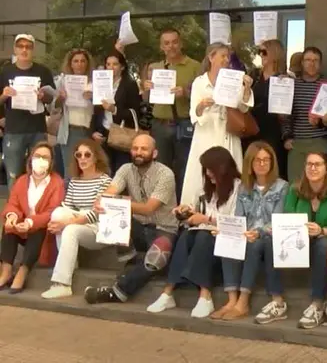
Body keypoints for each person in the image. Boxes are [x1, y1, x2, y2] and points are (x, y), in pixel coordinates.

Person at [83, 134, 178, 305]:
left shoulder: (166, 174)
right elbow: (112, 189)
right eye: (135, 148)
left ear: (154, 153)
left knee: (158, 256)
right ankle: (130, 261)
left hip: (163, 229)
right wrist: (102, 200)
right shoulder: (126, 169)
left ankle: (118, 291)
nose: (138, 152)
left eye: (144, 149)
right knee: (112, 209)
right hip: (139, 228)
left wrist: (118, 202)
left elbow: (149, 208)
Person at [147, 146, 240, 318]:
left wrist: (206, 219)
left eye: (212, 170)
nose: (209, 174)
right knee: (186, 236)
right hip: (202, 236)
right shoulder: (205, 190)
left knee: (203, 237)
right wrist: (185, 212)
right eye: (206, 170)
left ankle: (206, 295)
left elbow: (237, 223)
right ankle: (168, 292)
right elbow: (196, 213)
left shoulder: (238, 189)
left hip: (226, 238)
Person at [260, 152, 327, 328]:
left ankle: (317, 304)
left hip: (325, 239)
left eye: (317, 164)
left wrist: (321, 230)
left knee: (322, 244)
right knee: (270, 240)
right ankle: (277, 301)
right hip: (298, 240)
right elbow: (289, 216)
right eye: (309, 164)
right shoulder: (295, 189)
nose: (312, 168)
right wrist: (277, 228)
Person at [215, 141, 289, 321]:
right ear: (250, 163)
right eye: (257, 160)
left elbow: (278, 220)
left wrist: (258, 232)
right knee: (227, 240)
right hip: (247, 234)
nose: (262, 164)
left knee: (255, 244)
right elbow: (239, 217)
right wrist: (228, 230)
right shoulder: (243, 187)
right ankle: (231, 299)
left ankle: (244, 301)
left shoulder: (282, 187)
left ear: (272, 163)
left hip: (268, 235)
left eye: (266, 160)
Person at [180, 42, 254, 206]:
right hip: (207, 133)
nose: (226, 59)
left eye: (228, 56)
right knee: (203, 172)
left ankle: (230, 210)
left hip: (227, 132)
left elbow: (243, 107)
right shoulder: (199, 82)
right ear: (211, 57)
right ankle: (197, 211)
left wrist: (247, 88)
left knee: (229, 172)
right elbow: (194, 113)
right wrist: (202, 105)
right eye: (222, 56)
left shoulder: (233, 79)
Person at [42, 139, 112, 299]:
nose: (82, 158)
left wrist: (66, 223)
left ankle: (62, 283)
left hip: (99, 229)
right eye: (78, 154)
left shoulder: (105, 181)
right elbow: (67, 207)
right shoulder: (74, 181)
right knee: (58, 213)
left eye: (87, 154)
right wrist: (61, 221)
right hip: (79, 222)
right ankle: (70, 263)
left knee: (69, 228)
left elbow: (97, 213)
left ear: (95, 157)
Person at [144, 28, 202, 198]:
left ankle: (183, 209)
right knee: (161, 170)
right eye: (166, 43)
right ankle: (163, 210)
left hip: (183, 123)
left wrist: (185, 92)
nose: (171, 46)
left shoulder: (195, 66)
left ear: (181, 43)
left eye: (174, 42)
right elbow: (147, 100)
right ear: (161, 47)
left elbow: (202, 94)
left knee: (185, 169)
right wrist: (146, 89)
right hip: (160, 124)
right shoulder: (155, 67)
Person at [0, 142, 65, 292]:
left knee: (39, 227)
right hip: (21, 230)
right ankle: (6, 270)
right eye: (37, 156)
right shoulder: (22, 180)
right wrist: (12, 217)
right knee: (8, 227)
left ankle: (23, 271)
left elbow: (51, 211)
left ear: (51, 163)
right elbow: (13, 203)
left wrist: (30, 222)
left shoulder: (57, 183)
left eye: (45, 158)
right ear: (31, 159)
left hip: (42, 234)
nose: (41, 160)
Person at [0, 34, 56, 188]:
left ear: (33, 50)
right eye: (21, 46)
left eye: (28, 47)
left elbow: (52, 100)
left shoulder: (43, 71)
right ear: (15, 49)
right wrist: (4, 95)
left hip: (37, 129)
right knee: (14, 175)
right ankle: (15, 210)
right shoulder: (5, 72)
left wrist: (43, 96)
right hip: (13, 130)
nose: (24, 50)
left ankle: (38, 209)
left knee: (40, 171)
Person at [281, 47, 327, 182]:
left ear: (321, 63)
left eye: (315, 60)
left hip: (320, 142)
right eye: (308, 60)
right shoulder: (292, 84)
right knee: (296, 186)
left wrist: (325, 121)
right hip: (297, 143)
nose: (311, 64)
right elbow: (286, 115)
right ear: (302, 63)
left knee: (322, 186)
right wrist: (286, 137)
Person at [91, 49, 142, 174]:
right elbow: (95, 111)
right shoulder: (100, 83)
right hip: (103, 134)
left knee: (122, 172)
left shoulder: (129, 84)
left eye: (115, 64)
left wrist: (114, 110)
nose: (111, 67)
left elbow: (136, 112)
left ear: (122, 67)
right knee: (105, 172)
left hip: (122, 133)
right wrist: (94, 131)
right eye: (108, 64)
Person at [244, 40, 288, 180]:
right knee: (251, 169)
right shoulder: (254, 75)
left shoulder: (283, 79)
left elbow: (286, 114)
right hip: (251, 129)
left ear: (275, 54)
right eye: (259, 52)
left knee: (271, 170)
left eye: (264, 52)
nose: (261, 55)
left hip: (272, 131)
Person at [53, 49, 96, 177]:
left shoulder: (93, 83)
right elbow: (53, 108)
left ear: (87, 64)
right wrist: (60, 98)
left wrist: (93, 98)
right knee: (70, 172)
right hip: (70, 131)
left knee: (88, 171)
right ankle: (68, 197)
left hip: (90, 132)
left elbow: (103, 108)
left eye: (83, 61)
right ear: (70, 64)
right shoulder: (62, 82)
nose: (79, 64)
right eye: (76, 61)